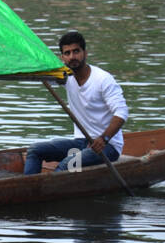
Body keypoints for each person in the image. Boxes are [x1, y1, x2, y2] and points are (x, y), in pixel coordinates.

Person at [23, 31, 129, 175]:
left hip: (107, 146)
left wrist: (103, 138)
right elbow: (39, 69)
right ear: (62, 57)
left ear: (85, 53)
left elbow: (121, 113)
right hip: (81, 142)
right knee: (34, 151)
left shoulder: (103, 79)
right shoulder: (65, 76)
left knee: (67, 164)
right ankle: (31, 190)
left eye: (76, 51)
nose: (72, 57)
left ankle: (48, 193)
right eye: (67, 53)